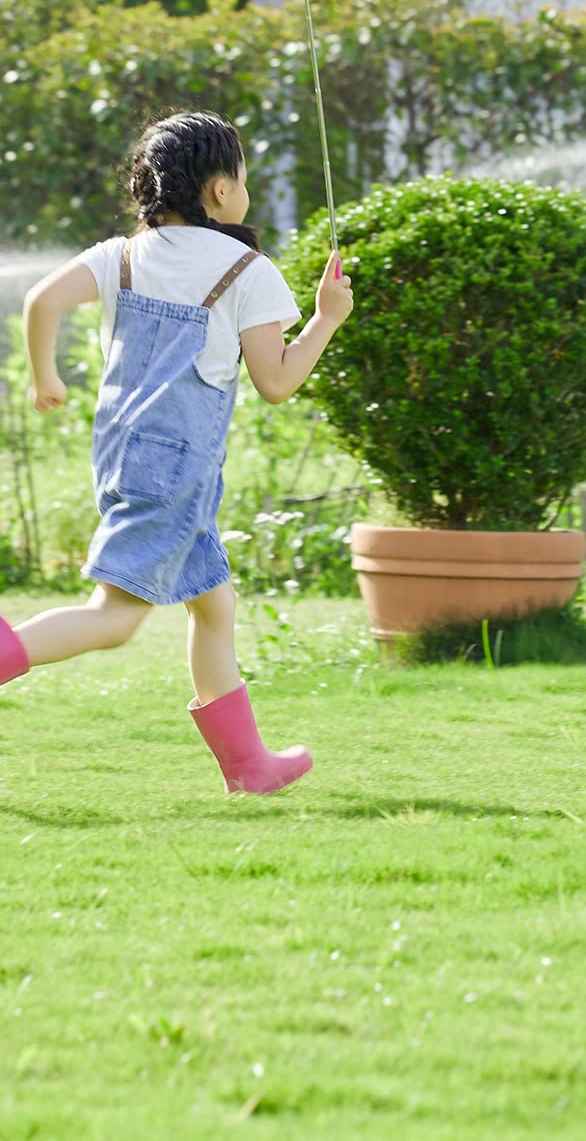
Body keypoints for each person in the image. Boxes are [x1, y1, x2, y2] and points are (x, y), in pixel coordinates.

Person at [0, 111, 353, 794]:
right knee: (115, 620)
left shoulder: (122, 255)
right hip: (179, 465)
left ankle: (249, 766)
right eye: (244, 176)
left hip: (125, 454)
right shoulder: (247, 269)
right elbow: (276, 381)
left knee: (213, 605)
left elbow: (43, 300)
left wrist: (48, 378)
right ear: (221, 190)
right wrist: (326, 320)